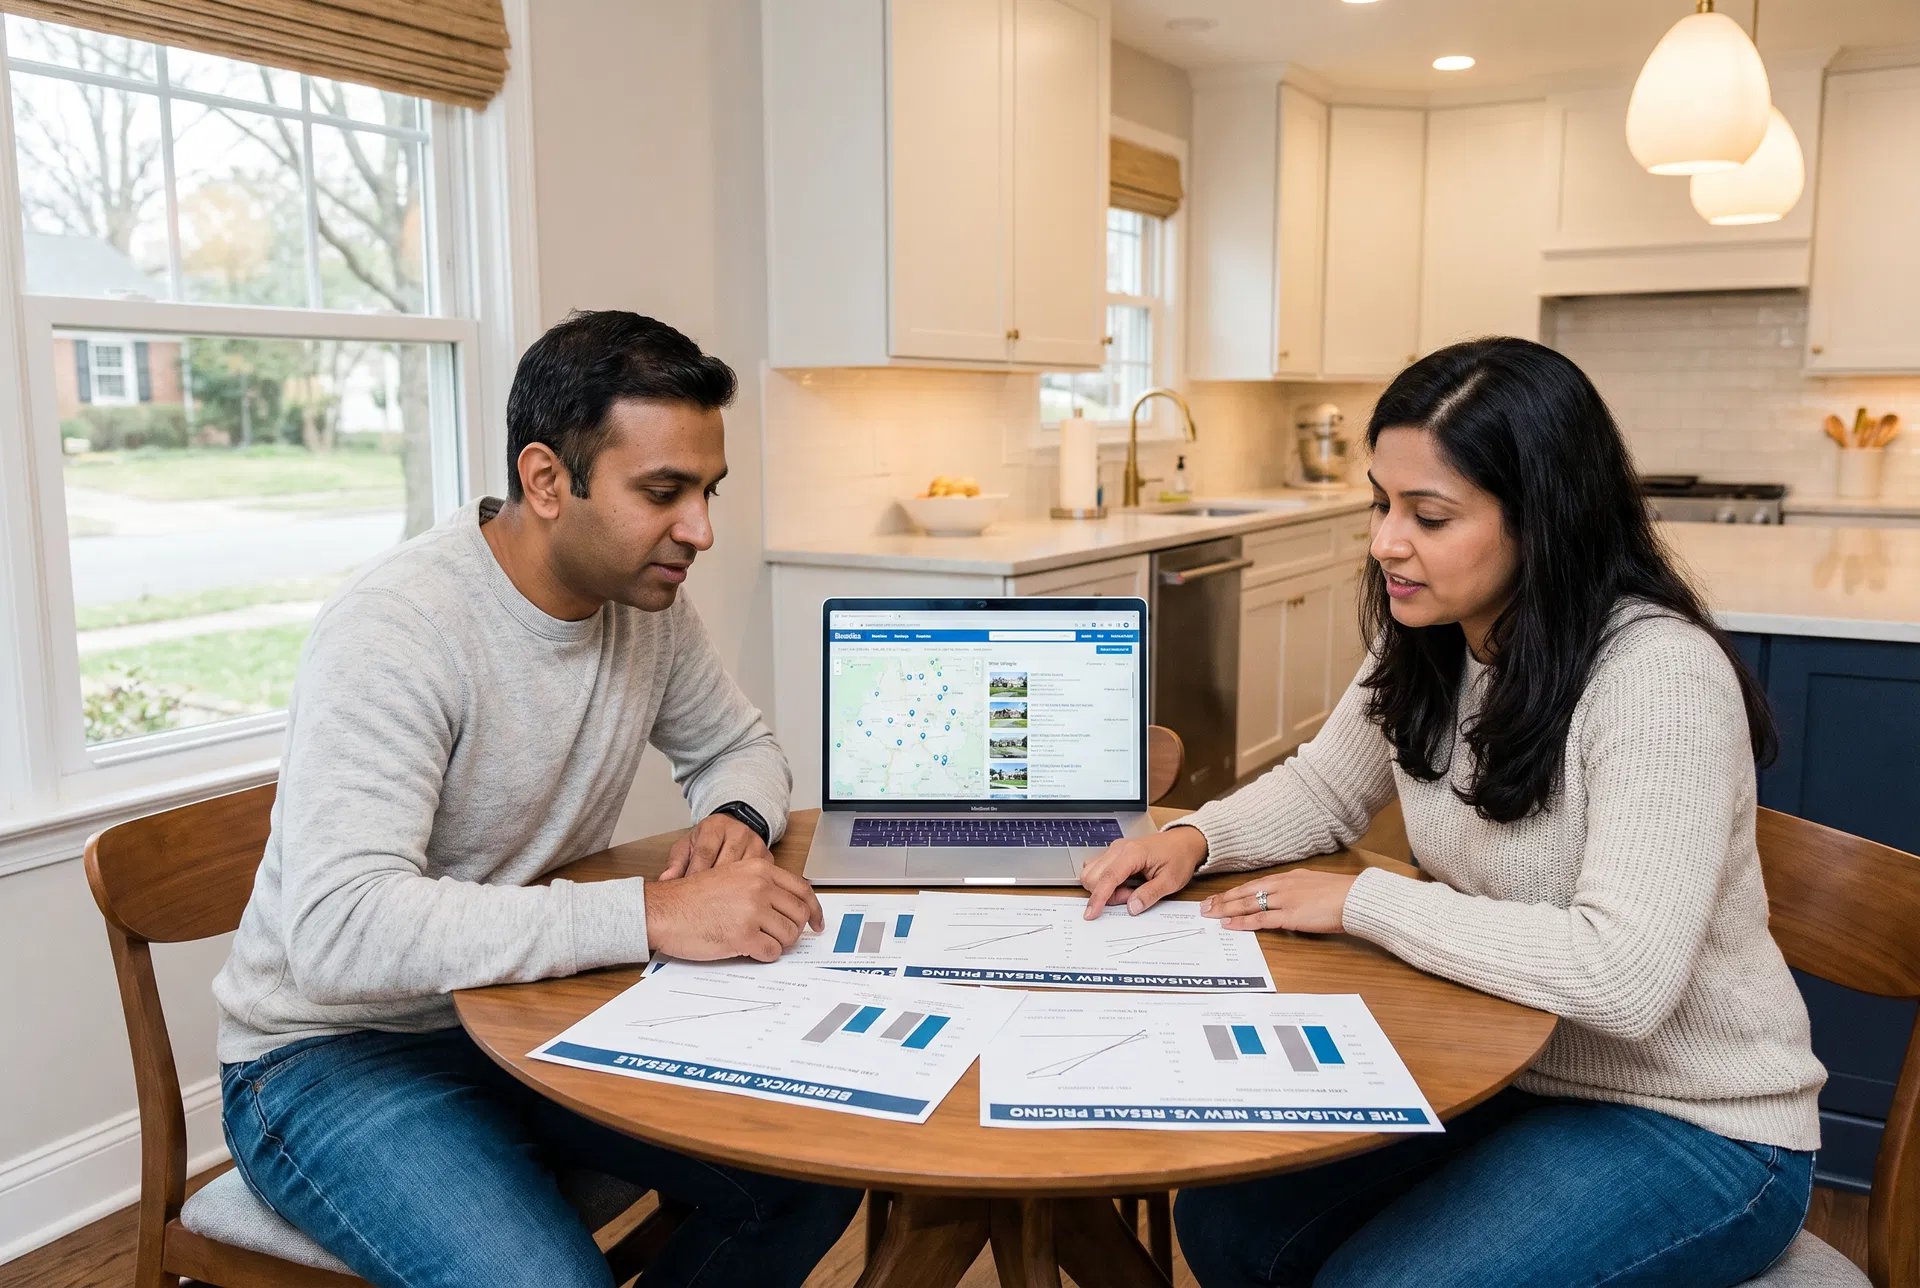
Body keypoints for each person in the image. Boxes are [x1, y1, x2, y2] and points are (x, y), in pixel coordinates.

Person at [1080, 337, 1826, 1288]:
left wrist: (1363, 904)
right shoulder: (1435, 634)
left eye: (1429, 516)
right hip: (1506, 1068)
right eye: (1381, 504)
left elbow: (1624, 977)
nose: (1387, 540)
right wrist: (1195, 837)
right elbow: (1324, 787)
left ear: (1542, 519)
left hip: (1694, 1119)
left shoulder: (1657, 678)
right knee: (1229, 1223)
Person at [212, 311, 861, 1288]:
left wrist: (735, 819)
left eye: (708, 491)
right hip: (334, 1056)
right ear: (548, 480)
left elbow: (739, 746)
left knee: (811, 1173)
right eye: (664, 492)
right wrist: (650, 912)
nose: (702, 530)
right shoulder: (397, 629)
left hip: (531, 1013)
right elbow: (340, 931)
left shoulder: (648, 608)